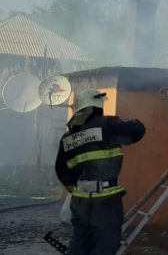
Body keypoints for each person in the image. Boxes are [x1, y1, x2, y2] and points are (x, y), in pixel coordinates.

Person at [54, 89, 146, 255]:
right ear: (97, 105)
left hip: (80, 200)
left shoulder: (67, 137)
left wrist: (75, 190)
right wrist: (126, 122)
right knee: (105, 244)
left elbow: (61, 171)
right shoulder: (108, 125)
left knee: (80, 243)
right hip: (105, 201)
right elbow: (137, 130)